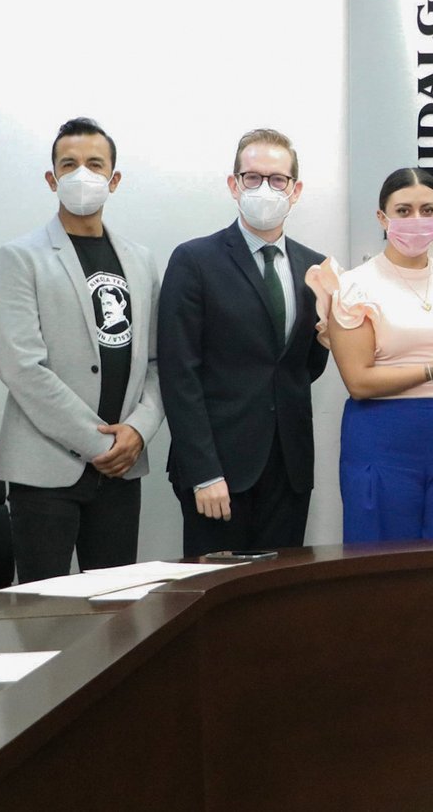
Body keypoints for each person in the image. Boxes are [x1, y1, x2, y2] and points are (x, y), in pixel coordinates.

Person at [0, 117, 164, 582]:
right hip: (46, 469)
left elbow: (157, 363)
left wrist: (138, 431)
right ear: (52, 179)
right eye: (69, 165)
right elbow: (22, 367)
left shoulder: (141, 260)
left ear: (114, 179)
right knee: (44, 610)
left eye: (94, 164)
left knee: (115, 606)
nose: (82, 174)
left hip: (122, 469)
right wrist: (100, 444)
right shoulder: (20, 257)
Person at [159, 129, 329, 556]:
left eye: (278, 179)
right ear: (234, 185)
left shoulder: (316, 268)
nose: (264, 188)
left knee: (280, 591)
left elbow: (304, 367)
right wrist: (204, 472)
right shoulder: (195, 260)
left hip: (288, 468)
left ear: (295, 190)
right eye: (253, 177)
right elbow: (179, 375)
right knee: (217, 589)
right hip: (218, 471)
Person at [306, 168, 433, 542]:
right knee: (384, 563)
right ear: (382, 217)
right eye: (404, 210)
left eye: (428, 210)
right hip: (381, 439)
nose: (417, 220)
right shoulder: (354, 285)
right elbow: (359, 382)